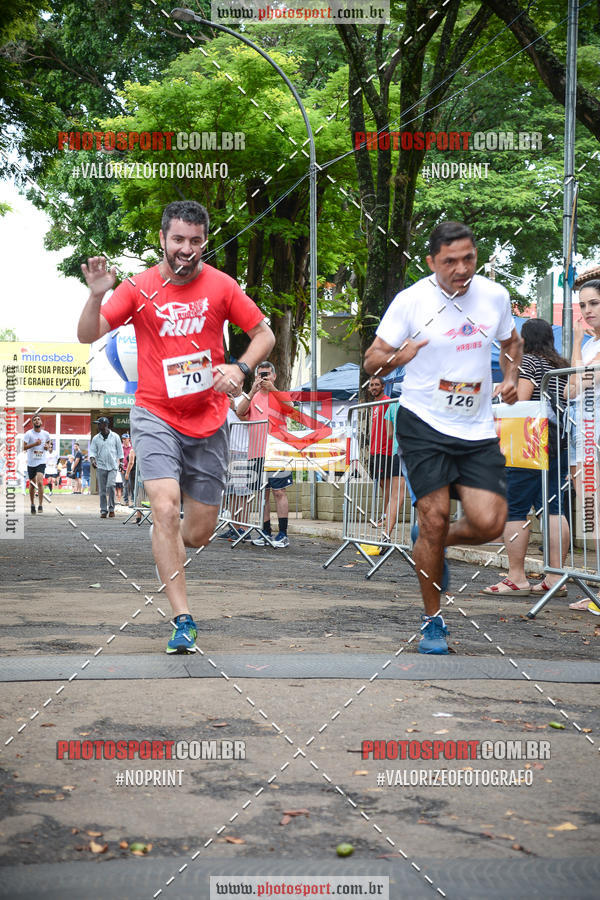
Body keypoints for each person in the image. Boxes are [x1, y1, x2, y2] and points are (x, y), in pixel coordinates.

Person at [78, 199, 275, 653]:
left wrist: (241, 369)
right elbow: (88, 335)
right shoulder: (138, 286)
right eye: (178, 240)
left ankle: (168, 540)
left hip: (207, 419)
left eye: (196, 241)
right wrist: (96, 294)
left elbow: (264, 334)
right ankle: (182, 618)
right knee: (164, 508)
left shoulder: (223, 286)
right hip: (155, 413)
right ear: (163, 239)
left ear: (204, 241)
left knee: (198, 531)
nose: (187, 249)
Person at [364, 221, 522, 654]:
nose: (461, 269)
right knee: (434, 515)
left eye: (468, 258)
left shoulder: (494, 296)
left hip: (475, 424)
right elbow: (371, 361)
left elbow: (512, 341)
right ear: (432, 261)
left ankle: (434, 540)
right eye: (450, 261)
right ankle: (433, 621)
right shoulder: (411, 301)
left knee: (490, 522)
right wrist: (401, 355)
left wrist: (510, 377)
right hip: (423, 421)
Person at [483, 318, 570, 597]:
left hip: (530, 438)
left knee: (516, 506)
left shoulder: (529, 362)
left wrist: (502, 393)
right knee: (555, 507)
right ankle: (556, 577)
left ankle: (516, 577)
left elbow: (522, 400)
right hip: (560, 438)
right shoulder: (561, 365)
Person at [567, 279, 600, 613]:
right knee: (591, 513)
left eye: (593, 304)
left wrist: (576, 344)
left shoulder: (587, 345)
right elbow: (569, 390)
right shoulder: (590, 345)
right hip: (583, 435)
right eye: (583, 305)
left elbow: (583, 380)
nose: (587, 311)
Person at [236, 361, 293, 549]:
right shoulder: (252, 396)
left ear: (274, 375)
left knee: (279, 492)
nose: (263, 377)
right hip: (256, 452)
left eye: (267, 374)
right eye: (260, 374)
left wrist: (273, 388)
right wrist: (252, 391)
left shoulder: (279, 394)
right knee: (262, 495)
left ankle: (283, 533)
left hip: (277, 453)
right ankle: (266, 531)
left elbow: (291, 408)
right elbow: (239, 412)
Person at [367, 375, 395, 526]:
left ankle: (386, 517)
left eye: (376, 384)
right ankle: (385, 516)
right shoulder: (375, 404)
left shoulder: (386, 402)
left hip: (385, 451)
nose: (373, 387)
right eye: (372, 385)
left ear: (383, 386)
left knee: (386, 485)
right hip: (374, 451)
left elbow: (390, 427)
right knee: (382, 485)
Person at [89, 417, 123, 518]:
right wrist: (93, 460)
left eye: (99, 424)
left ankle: (111, 508)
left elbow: (120, 452)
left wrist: (121, 463)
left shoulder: (115, 436)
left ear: (105, 425)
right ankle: (103, 510)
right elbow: (92, 452)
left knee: (111, 486)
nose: (98, 426)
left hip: (113, 466)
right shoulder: (96, 438)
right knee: (102, 490)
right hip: (101, 466)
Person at [23, 415, 51, 514]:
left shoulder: (46, 434)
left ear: (41, 422)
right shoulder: (28, 434)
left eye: (38, 419)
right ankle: (32, 504)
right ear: (32, 423)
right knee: (32, 484)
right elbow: (24, 447)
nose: (37, 421)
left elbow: (49, 445)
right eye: (34, 420)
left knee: (39, 482)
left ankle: (40, 505)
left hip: (41, 461)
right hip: (31, 462)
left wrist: (48, 447)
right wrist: (35, 444)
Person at [121, 434, 133, 505]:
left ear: (129, 439)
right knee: (125, 485)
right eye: (123, 439)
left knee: (131, 485)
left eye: (125, 439)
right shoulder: (121, 447)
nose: (124, 440)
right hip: (123, 468)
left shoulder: (132, 447)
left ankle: (132, 500)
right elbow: (119, 458)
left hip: (130, 468)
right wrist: (120, 468)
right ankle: (126, 501)